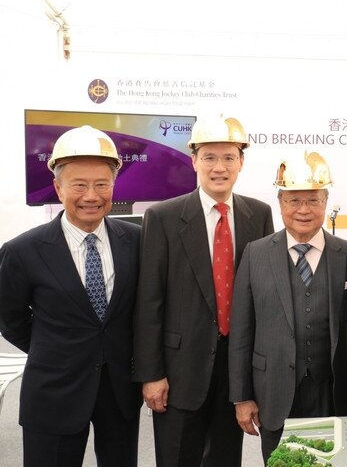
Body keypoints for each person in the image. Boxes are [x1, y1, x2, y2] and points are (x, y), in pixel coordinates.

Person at [133, 114, 274, 467]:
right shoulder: (163, 217)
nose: (219, 167)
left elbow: (264, 299)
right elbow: (149, 301)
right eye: (209, 157)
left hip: (236, 373)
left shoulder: (259, 215)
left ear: (241, 162)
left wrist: (256, 378)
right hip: (180, 372)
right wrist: (152, 374)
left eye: (228, 157)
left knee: (225, 459)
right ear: (194, 160)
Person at [0, 126, 142, 466]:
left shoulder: (138, 240)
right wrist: (56, 348)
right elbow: (10, 319)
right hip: (54, 391)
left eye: (101, 184)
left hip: (120, 390)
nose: (91, 196)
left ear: (113, 186)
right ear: (58, 188)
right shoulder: (22, 251)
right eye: (79, 185)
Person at [229, 152, 347, 463]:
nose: (303, 210)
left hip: (333, 392)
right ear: (280, 203)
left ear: (325, 202)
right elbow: (242, 330)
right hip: (273, 392)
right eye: (293, 201)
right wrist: (242, 396)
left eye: (313, 201)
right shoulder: (255, 254)